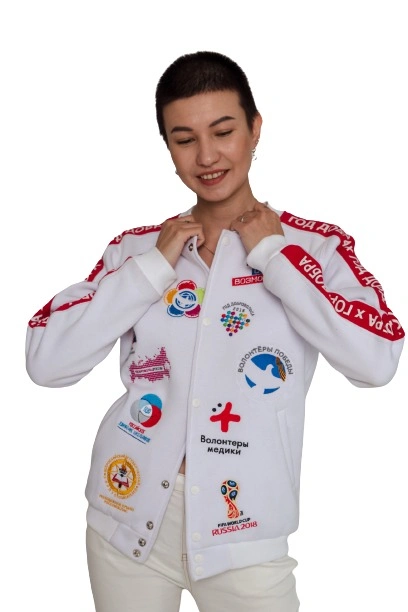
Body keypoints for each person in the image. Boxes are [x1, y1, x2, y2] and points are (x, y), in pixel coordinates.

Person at [25, 50, 404, 612]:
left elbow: (376, 361)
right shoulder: (137, 250)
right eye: (184, 139)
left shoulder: (314, 248)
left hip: (244, 538)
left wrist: (274, 256)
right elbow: (47, 362)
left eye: (223, 132)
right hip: (125, 519)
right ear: (168, 147)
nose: (206, 156)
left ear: (255, 129)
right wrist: (152, 269)